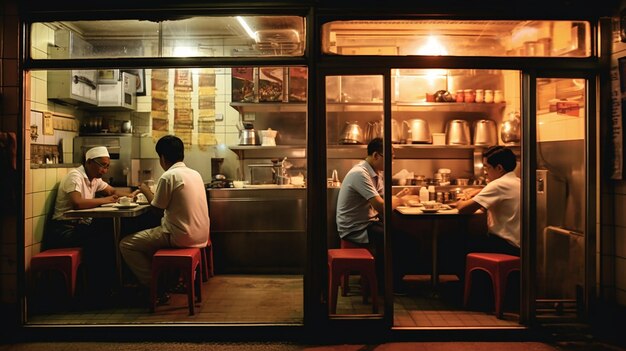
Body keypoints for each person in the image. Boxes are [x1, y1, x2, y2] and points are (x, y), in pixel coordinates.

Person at [119, 135, 210, 302]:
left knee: (127, 244)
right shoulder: (195, 174)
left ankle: (154, 286)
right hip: (201, 235)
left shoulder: (169, 176)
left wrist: (144, 189)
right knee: (149, 239)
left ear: (162, 157)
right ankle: (168, 281)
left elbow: (156, 210)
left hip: (180, 235)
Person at [44, 146, 139, 299]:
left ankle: (113, 285)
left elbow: (112, 192)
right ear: (89, 162)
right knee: (102, 240)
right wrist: (105, 200)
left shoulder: (94, 179)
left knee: (112, 234)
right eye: (103, 165)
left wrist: (132, 196)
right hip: (63, 230)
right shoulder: (74, 176)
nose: (105, 170)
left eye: (107, 166)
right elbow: (77, 203)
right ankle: (100, 291)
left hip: (79, 226)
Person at [335, 137, 411, 294]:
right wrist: (401, 199)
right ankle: (386, 285)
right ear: (376, 155)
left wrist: (397, 197)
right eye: (390, 156)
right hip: (355, 228)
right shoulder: (360, 174)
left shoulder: (376, 173)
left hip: (368, 223)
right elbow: (382, 207)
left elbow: (384, 200)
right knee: (399, 243)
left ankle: (387, 281)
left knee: (406, 240)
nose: (392, 161)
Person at [454, 145, 520, 257]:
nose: (485, 172)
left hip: (506, 245)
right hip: (519, 245)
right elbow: (485, 205)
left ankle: (467, 274)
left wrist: (460, 200)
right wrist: (480, 191)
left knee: (457, 244)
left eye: (487, 167)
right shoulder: (517, 181)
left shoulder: (499, 184)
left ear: (499, 168)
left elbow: (463, 209)